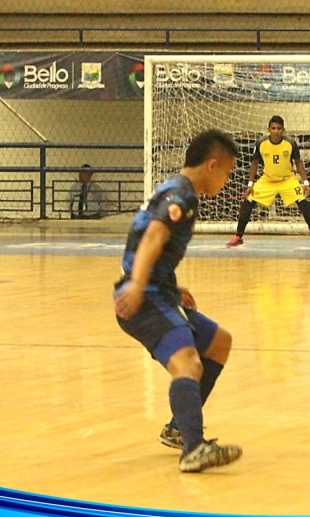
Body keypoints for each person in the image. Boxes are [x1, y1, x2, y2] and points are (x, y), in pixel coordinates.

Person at [113, 129, 243, 473]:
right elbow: (153, 236)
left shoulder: (177, 189)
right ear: (212, 165)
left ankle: (179, 428)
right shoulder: (180, 195)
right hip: (145, 298)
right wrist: (139, 284)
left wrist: (171, 285)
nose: (227, 181)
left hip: (158, 290)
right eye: (227, 172)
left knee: (217, 342)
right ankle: (193, 449)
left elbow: (146, 240)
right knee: (188, 362)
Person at [226, 115, 310, 249]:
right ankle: (238, 236)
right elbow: (254, 163)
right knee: (248, 200)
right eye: (273, 128)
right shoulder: (261, 143)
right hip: (267, 179)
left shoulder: (290, 143)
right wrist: (250, 184)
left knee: (303, 202)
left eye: (279, 128)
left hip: (287, 179)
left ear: (283, 130)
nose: (276, 131)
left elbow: (298, 162)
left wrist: (306, 182)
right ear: (269, 129)